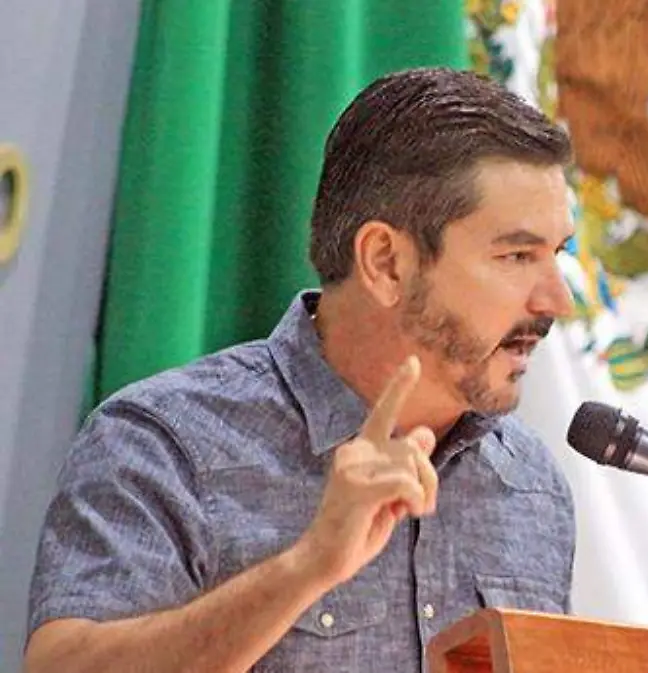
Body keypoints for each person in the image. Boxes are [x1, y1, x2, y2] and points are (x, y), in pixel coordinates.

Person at [23, 67, 578, 673]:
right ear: (386, 263)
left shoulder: (529, 483)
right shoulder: (167, 442)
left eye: (558, 254)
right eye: (517, 255)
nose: (557, 301)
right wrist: (307, 566)